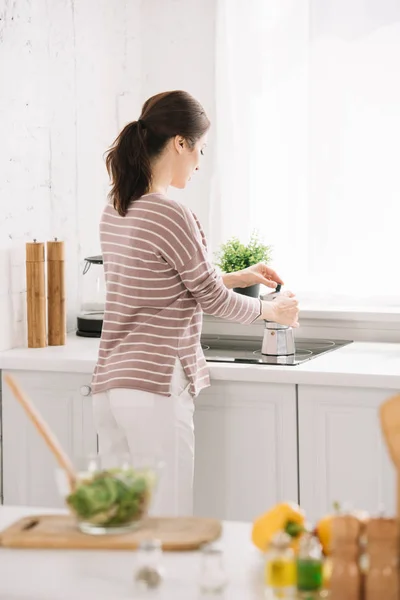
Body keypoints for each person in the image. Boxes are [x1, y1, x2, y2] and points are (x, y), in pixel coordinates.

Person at [91, 90, 299, 517]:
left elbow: (158, 284)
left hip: (112, 386)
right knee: (169, 524)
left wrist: (237, 278)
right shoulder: (171, 213)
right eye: (200, 149)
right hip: (156, 387)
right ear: (180, 143)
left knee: (124, 525)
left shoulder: (116, 209)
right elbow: (208, 296)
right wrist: (269, 312)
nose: (200, 162)